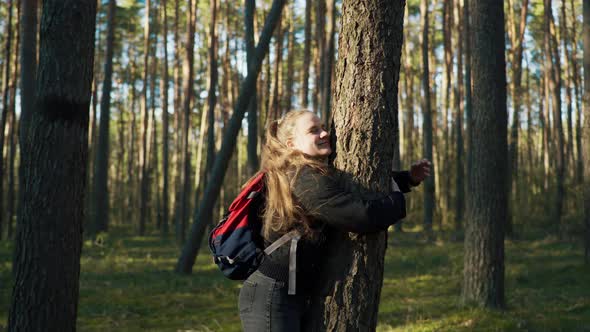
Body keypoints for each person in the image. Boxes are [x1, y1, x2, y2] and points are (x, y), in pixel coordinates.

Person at [238, 110, 431, 332]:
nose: (325, 133)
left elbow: (350, 189)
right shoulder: (305, 178)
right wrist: (396, 199)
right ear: (291, 144)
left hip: (287, 294)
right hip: (271, 297)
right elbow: (361, 216)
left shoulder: (308, 173)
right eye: (313, 130)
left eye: (322, 127)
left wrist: (407, 178)